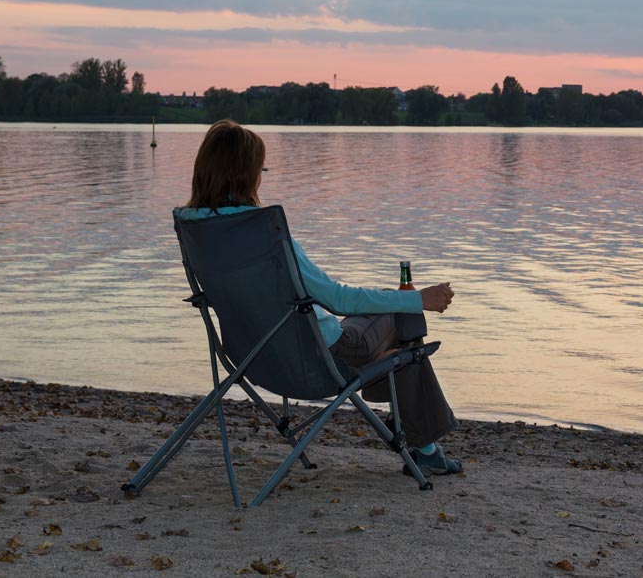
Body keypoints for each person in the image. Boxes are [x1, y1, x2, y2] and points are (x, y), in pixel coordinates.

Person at [177, 119, 461, 476]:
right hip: (323, 358)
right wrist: (420, 299)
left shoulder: (195, 230)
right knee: (402, 316)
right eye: (258, 169)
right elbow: (339, 300)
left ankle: (420, 435)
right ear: (246, 175)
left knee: (402, 339)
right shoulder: (265, 234)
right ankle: (424, 443)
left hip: (255, 358)